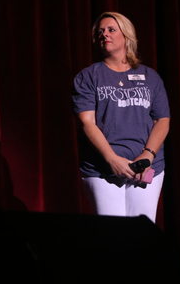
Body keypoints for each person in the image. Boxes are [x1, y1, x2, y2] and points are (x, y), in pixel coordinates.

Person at [72, 12, 170, 223]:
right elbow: (87, 122)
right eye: (100, 32)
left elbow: (162, 120)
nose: (104, 35)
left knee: (142, 235)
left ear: (126, 35)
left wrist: (148, 156)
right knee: (112, 237)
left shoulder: (150, 76)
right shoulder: (88, 76)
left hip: (144, 168)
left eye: (110, 30)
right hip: (102, 170)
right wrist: (112, 159)